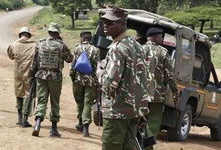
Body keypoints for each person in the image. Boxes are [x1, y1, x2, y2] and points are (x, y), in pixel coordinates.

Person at [96, 6, 149, 150]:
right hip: (134, 111)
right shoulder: (136, 45)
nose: (105, 26)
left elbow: (109, 84)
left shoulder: (117, 48)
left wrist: (99, 70)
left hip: (117, 112)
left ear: (123, 25)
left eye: (110, 23)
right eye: (104, 22)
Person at [29, 22, 73, 137]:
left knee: (41, 100)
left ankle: (37, 124)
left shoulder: (40, 43)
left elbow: (34, 62)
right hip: (55, 77)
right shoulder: (61, 45)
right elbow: (69, 59)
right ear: (58, 33)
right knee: (55, 102)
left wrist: (31, 75)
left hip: (41, 76)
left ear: (49, 32)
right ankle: (53, 129)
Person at [142, 27, 178, 149]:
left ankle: (136, 145)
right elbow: (169, 75)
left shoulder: (139, 49)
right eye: (161, 36)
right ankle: (148, 147)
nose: (162, 39)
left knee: (139, 120)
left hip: (139, 93)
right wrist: (174, 91)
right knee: (153, 122)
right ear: (155, 37)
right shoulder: (162, 52)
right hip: (156, 94)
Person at [70, 31, 100, 137]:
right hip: (91, 80)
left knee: (80, 102)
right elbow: (96, 67)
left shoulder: (77, 48)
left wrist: (73, 77)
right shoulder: (96, 49)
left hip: (78, 79)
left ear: (82, 38)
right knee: (88, 103)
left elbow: (73, 65)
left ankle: (80, 123)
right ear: (90, 39)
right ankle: (86, 128)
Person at [7, 27, 36, 127]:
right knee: (28, 95)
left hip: (18, 73)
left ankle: (19, 118)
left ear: (20, 34)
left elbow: (11, 56)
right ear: (29, 35)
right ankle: (25, 119)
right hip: (29, 74)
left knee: (19, 94)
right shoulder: (35, 45)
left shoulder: (13, 44)